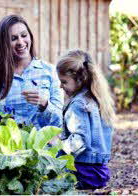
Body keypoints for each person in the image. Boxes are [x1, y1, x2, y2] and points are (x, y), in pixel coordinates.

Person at [0, 15, 63, 129]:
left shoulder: (49, 71)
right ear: (3, 44)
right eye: (13, 38)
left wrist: (45, 104)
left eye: (24, 35)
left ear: (30, 37)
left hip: (45, 146)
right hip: (8, 146)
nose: (20, 42)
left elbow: (59, 121)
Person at [56, 49, 115, 190]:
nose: (60, 86)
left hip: (84, 171)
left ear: (80, 79)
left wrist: (58, 146)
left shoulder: (78, 104)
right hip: (99, 171)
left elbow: (80, 140)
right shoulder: (97, 99)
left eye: (64, 82)